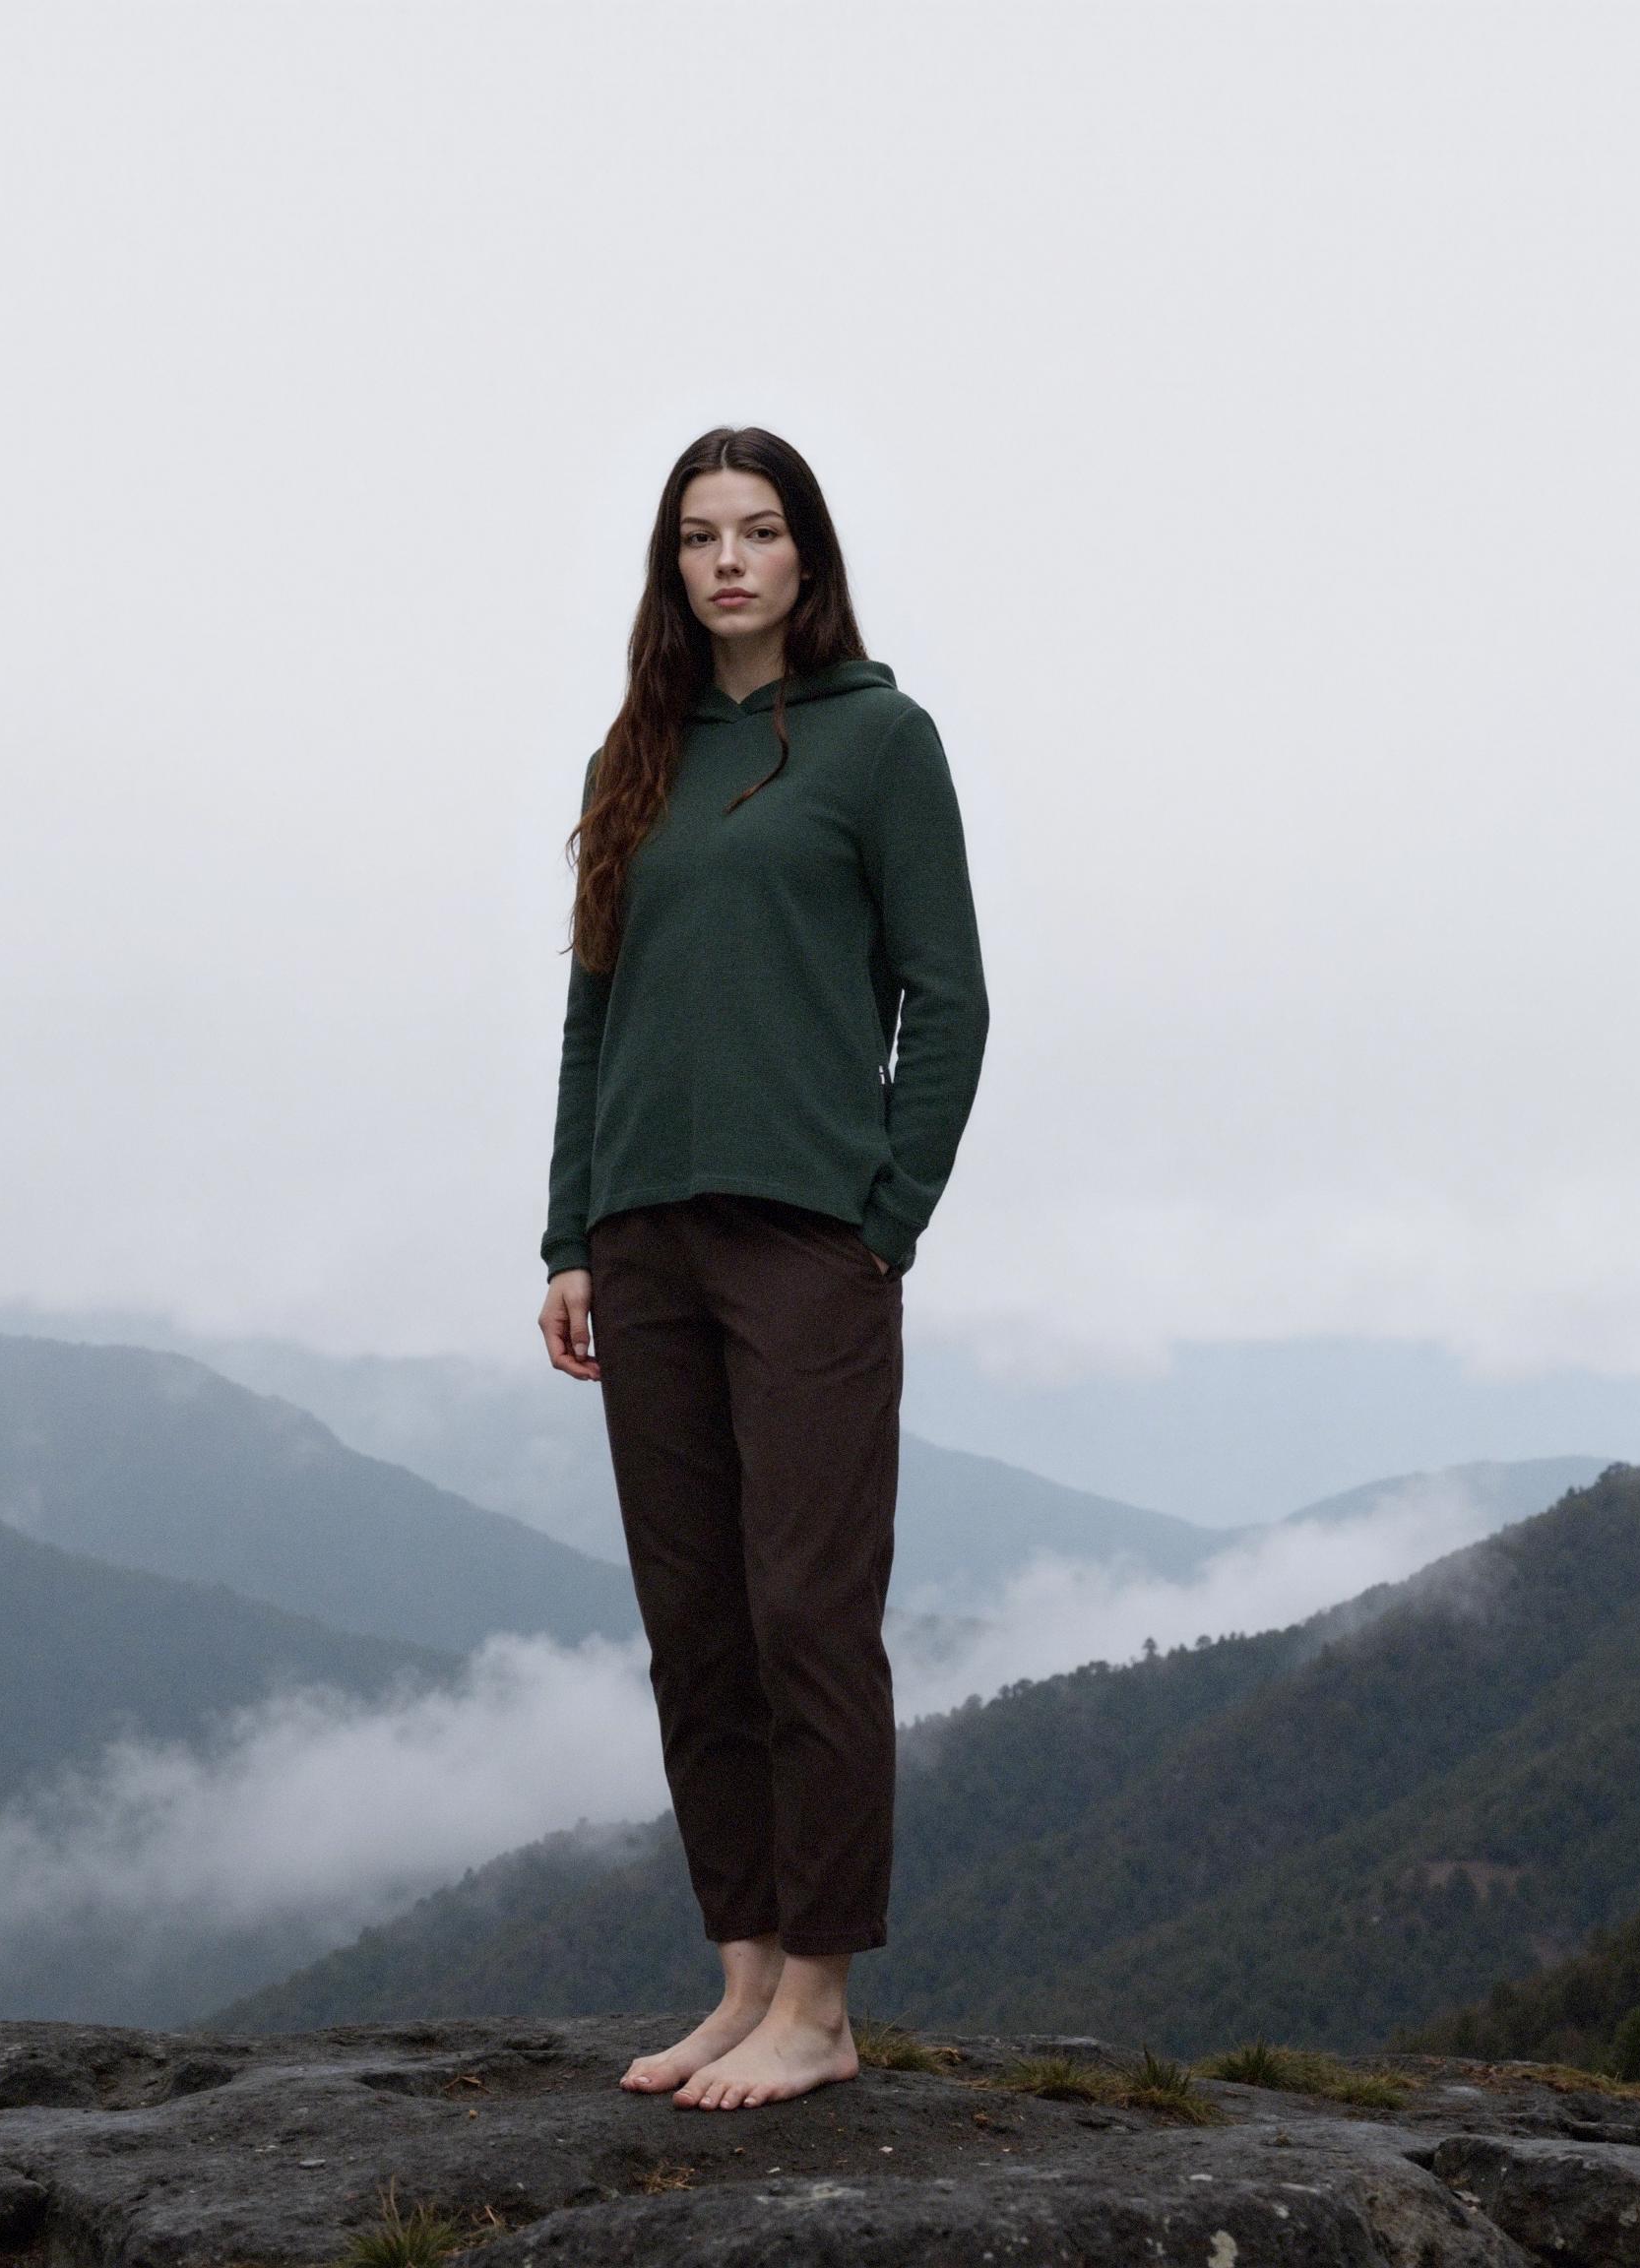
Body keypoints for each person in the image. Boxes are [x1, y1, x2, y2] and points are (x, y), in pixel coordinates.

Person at [536, 425, 990, 2111]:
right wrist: (571, 1234)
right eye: (699, 535)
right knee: (697, 1624)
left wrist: (887, 1217)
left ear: (809, 557)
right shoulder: (636, 754)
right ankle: (742, 1977)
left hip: (809, 1241)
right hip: (642, 1238)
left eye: (760, 529)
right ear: (671, 567)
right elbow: (593, 1013)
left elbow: (948, 998)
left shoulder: (882, 742)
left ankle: (822, 2000)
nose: (729, 559)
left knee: (809, 1616)